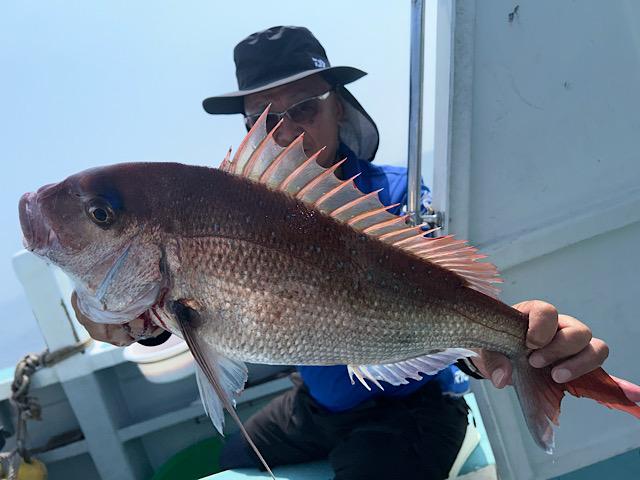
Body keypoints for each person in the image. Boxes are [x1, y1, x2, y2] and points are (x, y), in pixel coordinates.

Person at [73, 26, 615, 480]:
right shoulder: (229, 214)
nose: (286, 132)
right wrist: (133, 321)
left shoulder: (398, 196)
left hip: (410, 409)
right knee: (235, 454)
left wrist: (495, 344)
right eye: (264, 119)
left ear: (339, 106)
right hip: (318, 403)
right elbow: (198, 299)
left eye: (304, 108)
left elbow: (444, 301)